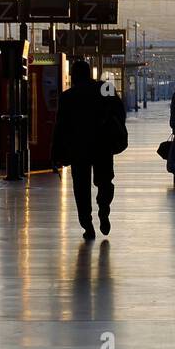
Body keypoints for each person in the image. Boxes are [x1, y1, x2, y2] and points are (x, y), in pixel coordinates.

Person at [52, 59, 126, 239]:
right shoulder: (104, 88)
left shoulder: (68, 96)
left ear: (74, 76)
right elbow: (120, 111)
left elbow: (60, 127)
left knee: (81, 188)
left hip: (78, 149)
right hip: (103, 146)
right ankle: (104, 207)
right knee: (105, 181)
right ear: (89, 74)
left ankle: (87, 225)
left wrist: (55, 153)